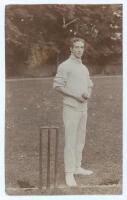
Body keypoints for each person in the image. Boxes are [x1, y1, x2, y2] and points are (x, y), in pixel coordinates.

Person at [53, 37, 94, 187]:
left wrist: (88, 93)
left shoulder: (84, 68)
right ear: (70, 49)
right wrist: (75, 96)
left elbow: (89, 84)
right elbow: (57, 86)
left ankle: (77, 167)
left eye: (81, 47)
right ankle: (69, 173)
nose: (79, 50)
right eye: (76, 47)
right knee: (70, 140)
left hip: (84, 108)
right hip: (71, 107)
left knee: (80, 139)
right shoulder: (65, 66)